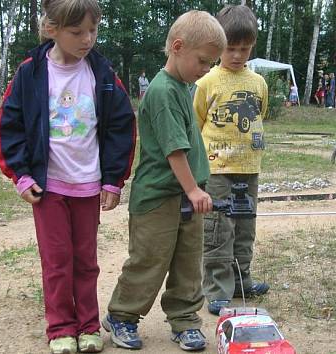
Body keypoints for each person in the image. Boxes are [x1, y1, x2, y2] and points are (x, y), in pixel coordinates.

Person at [0, 1, 136, 353]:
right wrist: (22, 176)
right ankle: (60, 328)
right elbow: (9, 127)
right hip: (48, 188)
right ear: (52, 29)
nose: (87, 39)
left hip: (88, 187)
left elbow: (122, 126)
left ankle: (88, 327)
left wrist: (112, 180)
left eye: (93, 30)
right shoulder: (30, 74)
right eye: (77, 32)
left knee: (86, 262)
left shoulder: (101, 73)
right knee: (57, 262)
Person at [102, 10, 226, 352]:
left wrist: (193, 189)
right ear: (177, 46)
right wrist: (192, 187)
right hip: (159, 197)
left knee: (188, 262)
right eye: (202, 61)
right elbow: (174, 151)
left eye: (211, 63)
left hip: (186, 198)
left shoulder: (184, 87)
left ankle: (185, 320)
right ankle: (122, 316)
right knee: (149, 260)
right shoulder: (163, 92)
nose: (206, 69)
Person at [193, 4, 270, 317]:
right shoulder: (207, 82)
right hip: (217, 171)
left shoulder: (258, 83)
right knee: (217, 229)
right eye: (230, 48)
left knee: (244, 228)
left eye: (244, 48)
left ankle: (241, 280)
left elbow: (259, 115)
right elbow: (196, 124)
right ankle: (216, 289)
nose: (237, 55)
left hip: (249, 169)